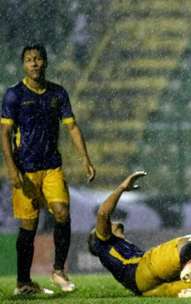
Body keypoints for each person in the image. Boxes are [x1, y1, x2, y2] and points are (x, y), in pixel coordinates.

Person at [0, 44, 96, 295]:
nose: (34, 64)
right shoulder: (14, 95)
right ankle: (23, 283)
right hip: (25, 170)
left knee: (62, 212)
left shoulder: (57, 93)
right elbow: (5, 132)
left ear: (45, 63)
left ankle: (58, 271)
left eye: (38, 59)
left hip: (52, 166)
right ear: (23, 64)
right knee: (28, 227)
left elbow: (72, 127)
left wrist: (84, 158)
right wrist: (11, 168)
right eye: (29, 60)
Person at [87, 171, 191, 298]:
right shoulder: (103, 243)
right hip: (141, 270)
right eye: (105, 226)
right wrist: (122, 188)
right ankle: (190, 264)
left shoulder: (118, 249)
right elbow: (103, 213)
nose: (111, 223)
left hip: (147, 289)